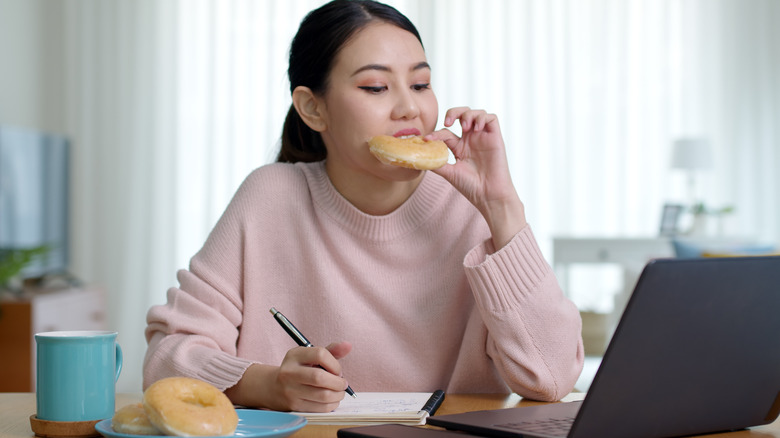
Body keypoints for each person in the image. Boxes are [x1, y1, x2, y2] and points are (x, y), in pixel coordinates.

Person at [143, 0, 584, 413]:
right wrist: (270, 384)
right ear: (313, 109)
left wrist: (502, 207)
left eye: (420, 84)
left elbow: (550, 378)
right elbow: (166, 362)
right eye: (375, 87)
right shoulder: (270, 198)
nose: (409, 107)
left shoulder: (470, 208)